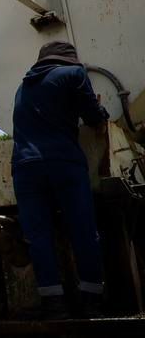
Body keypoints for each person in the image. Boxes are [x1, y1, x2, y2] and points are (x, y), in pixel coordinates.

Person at [11, 40, 109, 318]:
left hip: (24, 167)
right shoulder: (74, 75)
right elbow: (93, 117)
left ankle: (52, 300)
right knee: (82, 227)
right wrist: (101, 112)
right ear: (69, 61)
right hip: (63, 162)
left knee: (38, 236)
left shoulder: (23, 87)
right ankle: (92, 296)